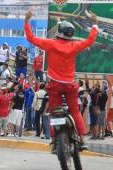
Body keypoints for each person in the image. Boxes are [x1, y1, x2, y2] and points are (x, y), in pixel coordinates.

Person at [24, 11, 98, 149]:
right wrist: (94, 24)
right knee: (75, 111)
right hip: (70, 85)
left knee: (54, 112)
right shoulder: (74, 45)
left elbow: (31, 38)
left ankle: (54, 140)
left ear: (59, 32)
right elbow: (90, 40)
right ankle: (82, 139)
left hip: (55, 86)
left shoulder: (50, 44)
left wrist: (27, 21)